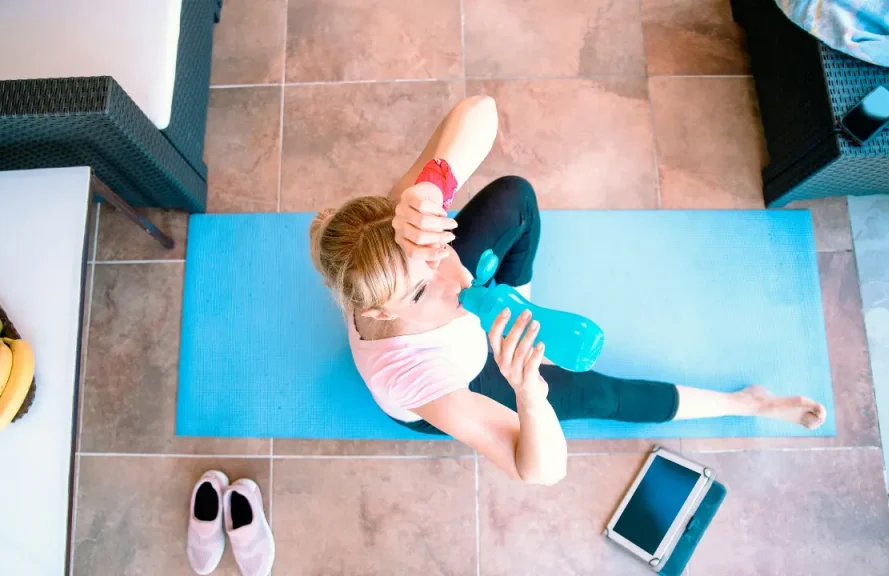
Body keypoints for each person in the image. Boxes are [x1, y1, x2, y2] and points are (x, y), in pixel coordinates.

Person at [308, 96, 827, 486]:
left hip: (440, 300)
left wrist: (432, 187)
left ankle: (511, 302)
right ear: (377, 309)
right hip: (472, 373)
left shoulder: (393, 229)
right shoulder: (420, 382)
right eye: (422, 290)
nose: (461, 277)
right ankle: (748, 404)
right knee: (602, 393)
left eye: (438, 249)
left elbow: (481, 109)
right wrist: (530, 390)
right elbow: (539, 471)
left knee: (515, 198)